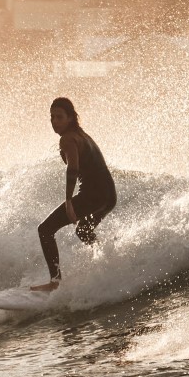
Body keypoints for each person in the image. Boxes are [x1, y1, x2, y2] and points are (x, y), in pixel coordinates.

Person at [33, 97, 115, 291]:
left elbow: (73, 169)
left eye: (59, 117)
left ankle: (55, 282)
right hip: (109, 195)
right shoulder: (82, 134)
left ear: (70, 118)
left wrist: (69, 201)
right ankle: (109, 264)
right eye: (51, 117)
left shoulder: (68, 139)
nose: (54, 121)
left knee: (45, 230)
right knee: (83, 231)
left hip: (94, 195)